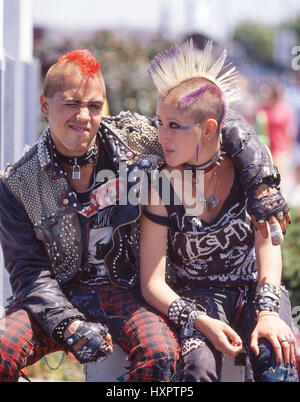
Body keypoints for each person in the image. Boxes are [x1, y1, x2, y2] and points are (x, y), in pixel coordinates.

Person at [0, 47, 291, 382]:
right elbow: (29, 274)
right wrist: (69, 324)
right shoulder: (17, 183)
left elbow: (213, 121)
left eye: (94, 105)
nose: (83, 115)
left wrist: (261, 183)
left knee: (160, 355)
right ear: (44, 105)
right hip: (53, 297)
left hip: (122, 290)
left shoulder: (133, 140)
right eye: (71, 103)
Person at [139, 41, 299, 382]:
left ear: (209, 128)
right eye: (159, 122)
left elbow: (268, 245)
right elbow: (151, 282)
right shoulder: (161, 184)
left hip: (255, 290)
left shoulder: (251, 171)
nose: (160, 135)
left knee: (277, 362)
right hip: (196, 299)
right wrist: (200, 321)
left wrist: (269, 312)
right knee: (197, 370)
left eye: (173, 125)